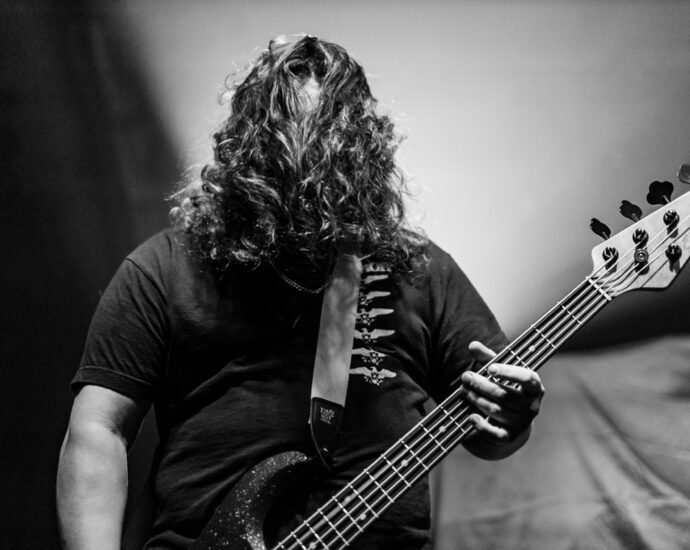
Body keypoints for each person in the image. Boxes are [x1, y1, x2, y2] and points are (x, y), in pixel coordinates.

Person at [56, 35, 545, 550]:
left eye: (328, 134)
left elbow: (490, 433)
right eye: (287, 132)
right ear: (247, 143)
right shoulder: (164, 267)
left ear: (360, 147)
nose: (307, 157)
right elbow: (98, 431)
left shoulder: (421, 270)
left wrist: (511, 419)